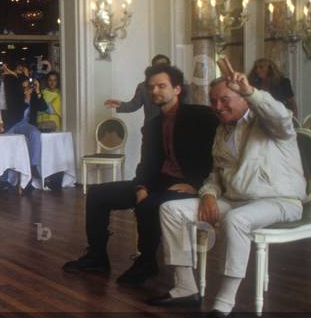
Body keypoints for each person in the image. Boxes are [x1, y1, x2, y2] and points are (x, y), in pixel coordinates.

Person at [154, 57, 306, 318]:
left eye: (225, 100)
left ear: (245, 99)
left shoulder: (269, 124)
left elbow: (281, 116)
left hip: (280, 200)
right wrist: (209, 194)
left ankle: (224, 303)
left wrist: (251, 91)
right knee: (170, 209)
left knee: (237, 220)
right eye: (213, 101)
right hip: (235, 200)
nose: (217, 107)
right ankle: (185, 287)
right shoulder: (222, 131)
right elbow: (215, 173)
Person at [64, 65, 218, 285]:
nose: (155, 91)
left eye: (161, 86)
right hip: (157, 182)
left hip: (188, 185)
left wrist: (196, 184)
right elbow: (146, 164)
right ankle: (96, 256)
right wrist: (141, 187)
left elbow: (216, 154)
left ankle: (147, 262)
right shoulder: (153, 125)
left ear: (177, 89)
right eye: (151, 87)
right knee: (97, 194)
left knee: (147, 205)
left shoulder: (200, 116)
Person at [105, 54, 171, 123]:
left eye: (164, 65)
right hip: (151, 129)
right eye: (157, 66)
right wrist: (121, 105)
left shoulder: (176, 85)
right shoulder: (143, 87)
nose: (161, 69)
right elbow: (134, 105)